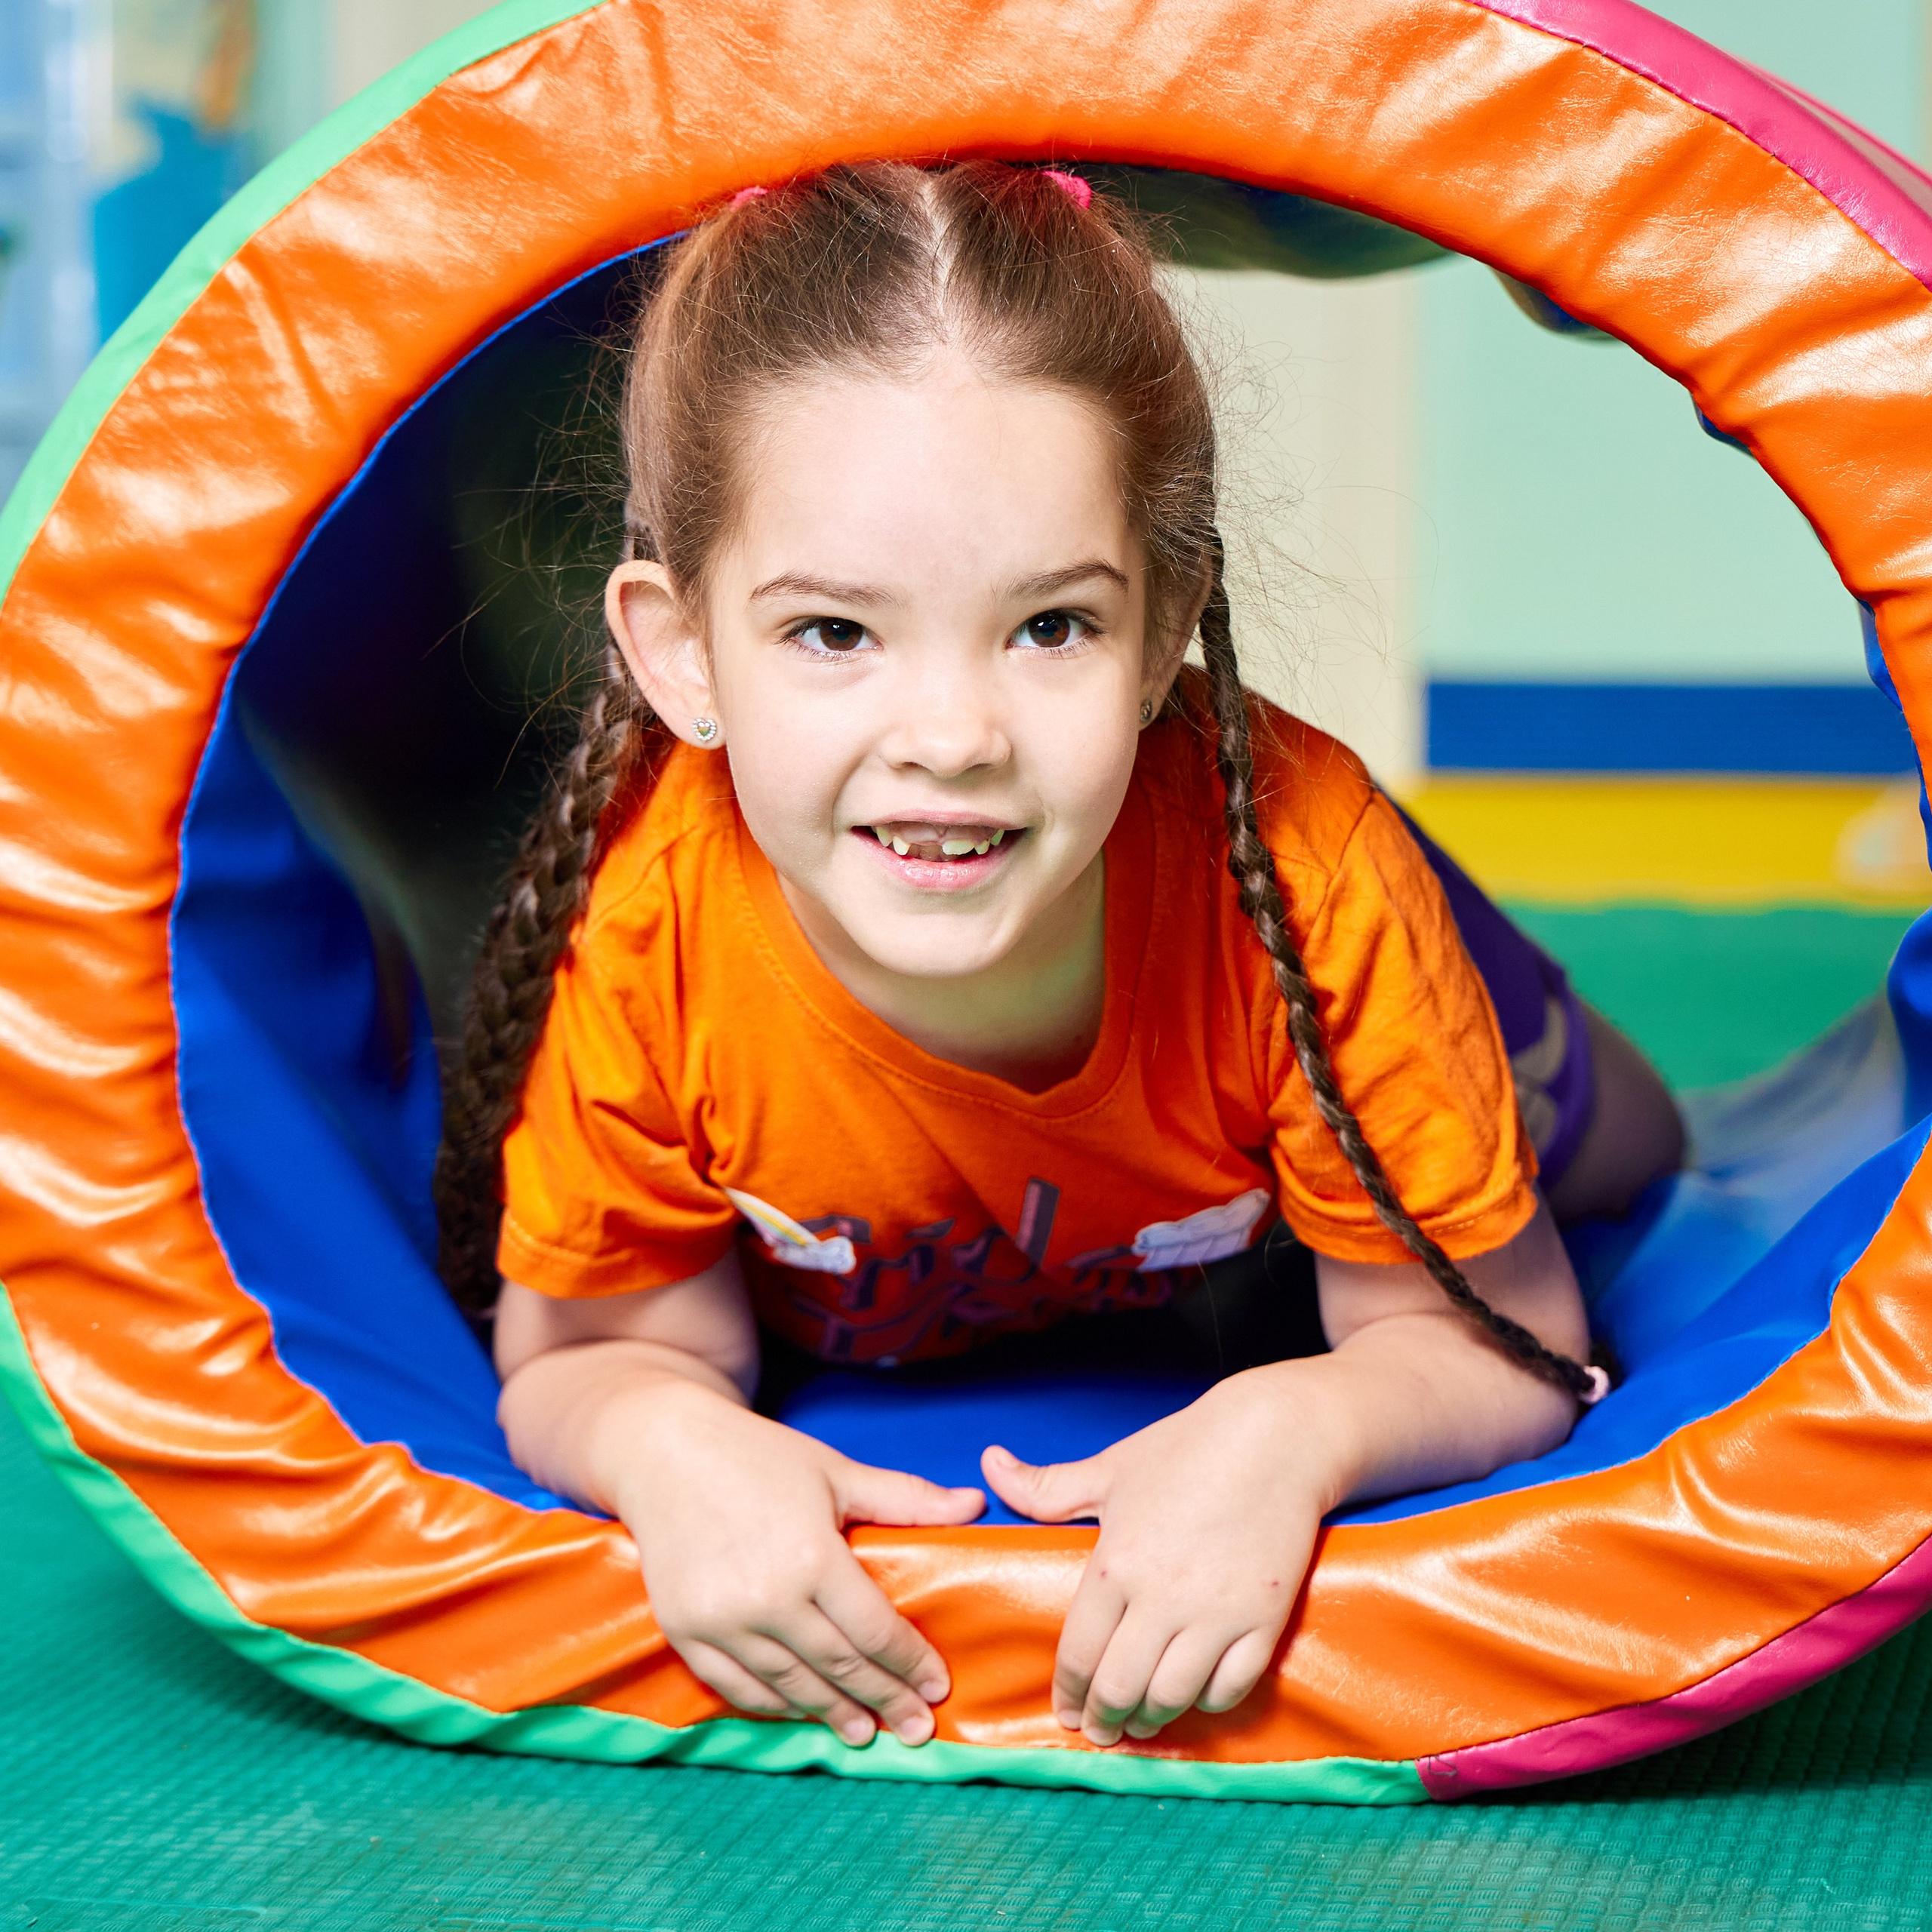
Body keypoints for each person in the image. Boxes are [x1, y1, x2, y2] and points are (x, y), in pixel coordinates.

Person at [434, 162, 1683, 1759]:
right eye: (831, 633)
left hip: (1272, 936)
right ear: (683, 652)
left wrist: (1298, 1418)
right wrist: (668, 1444)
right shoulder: (659, 925)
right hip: (1118, 990)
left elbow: (1514, 1349)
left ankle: (1504, 999)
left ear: (1164, 627)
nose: (949, 737)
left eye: (1049, 628)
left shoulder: (1301, 889)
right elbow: (586, 1355)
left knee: (1631, 1146)